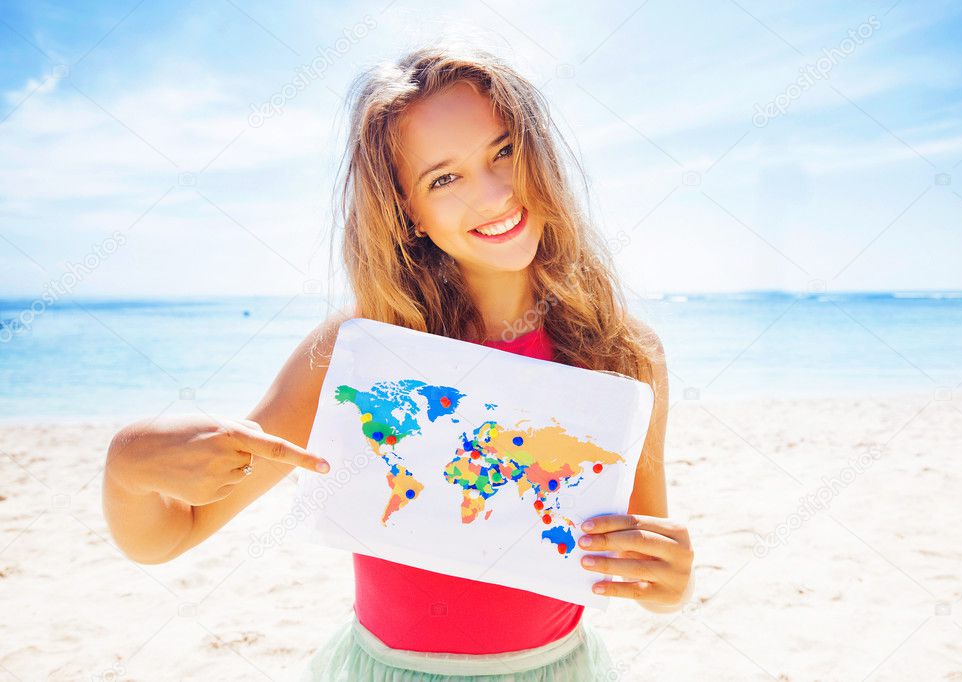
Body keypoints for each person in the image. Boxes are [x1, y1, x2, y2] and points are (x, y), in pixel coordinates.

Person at [102, 40, 695, 681]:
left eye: (505, 151)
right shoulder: (356, 355)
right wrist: (129, 466)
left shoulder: (624, 354)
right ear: (404, 211)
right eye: (444, 178)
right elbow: (171, 535)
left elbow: (647, 570)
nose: (495, 194)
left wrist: (671, 582)